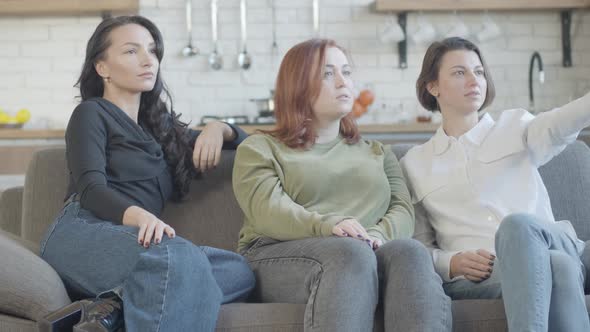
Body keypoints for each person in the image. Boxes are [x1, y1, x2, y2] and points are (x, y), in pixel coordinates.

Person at [39, 15, 255, 332]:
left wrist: (218, 128)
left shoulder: (162, 131)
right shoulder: (91, 113)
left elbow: (251, 147)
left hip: (145, 248)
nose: (147, 60)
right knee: (177, 255)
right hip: (82, 233)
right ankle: (121, 301)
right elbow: (90, 189)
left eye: (152, 51)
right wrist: (139, 216)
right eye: (131, 51)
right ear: (102, 68)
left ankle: (111, 306)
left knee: (239, 270)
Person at [232, 38, 452, 332]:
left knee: (410, 252)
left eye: (346, 72)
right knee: (350, 253)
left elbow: (402, 208)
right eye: (327, 73)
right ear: (298, 84)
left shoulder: (378, 152)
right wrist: (328, 225)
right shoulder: (260, 148)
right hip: (278, 256)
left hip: (366, 250)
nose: (342, 82)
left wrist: (377, 234)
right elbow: (267, 210)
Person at [401, 36, 590, 332]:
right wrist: (450, 262)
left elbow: (556, 125)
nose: (474, 80)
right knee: (559, 265)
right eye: (459, 72)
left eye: (478, 72)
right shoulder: (415, 163)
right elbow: (415, 245)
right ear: (432, 86)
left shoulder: (514, 126)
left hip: (553, 241)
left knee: (519, 227)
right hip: (488, 272)